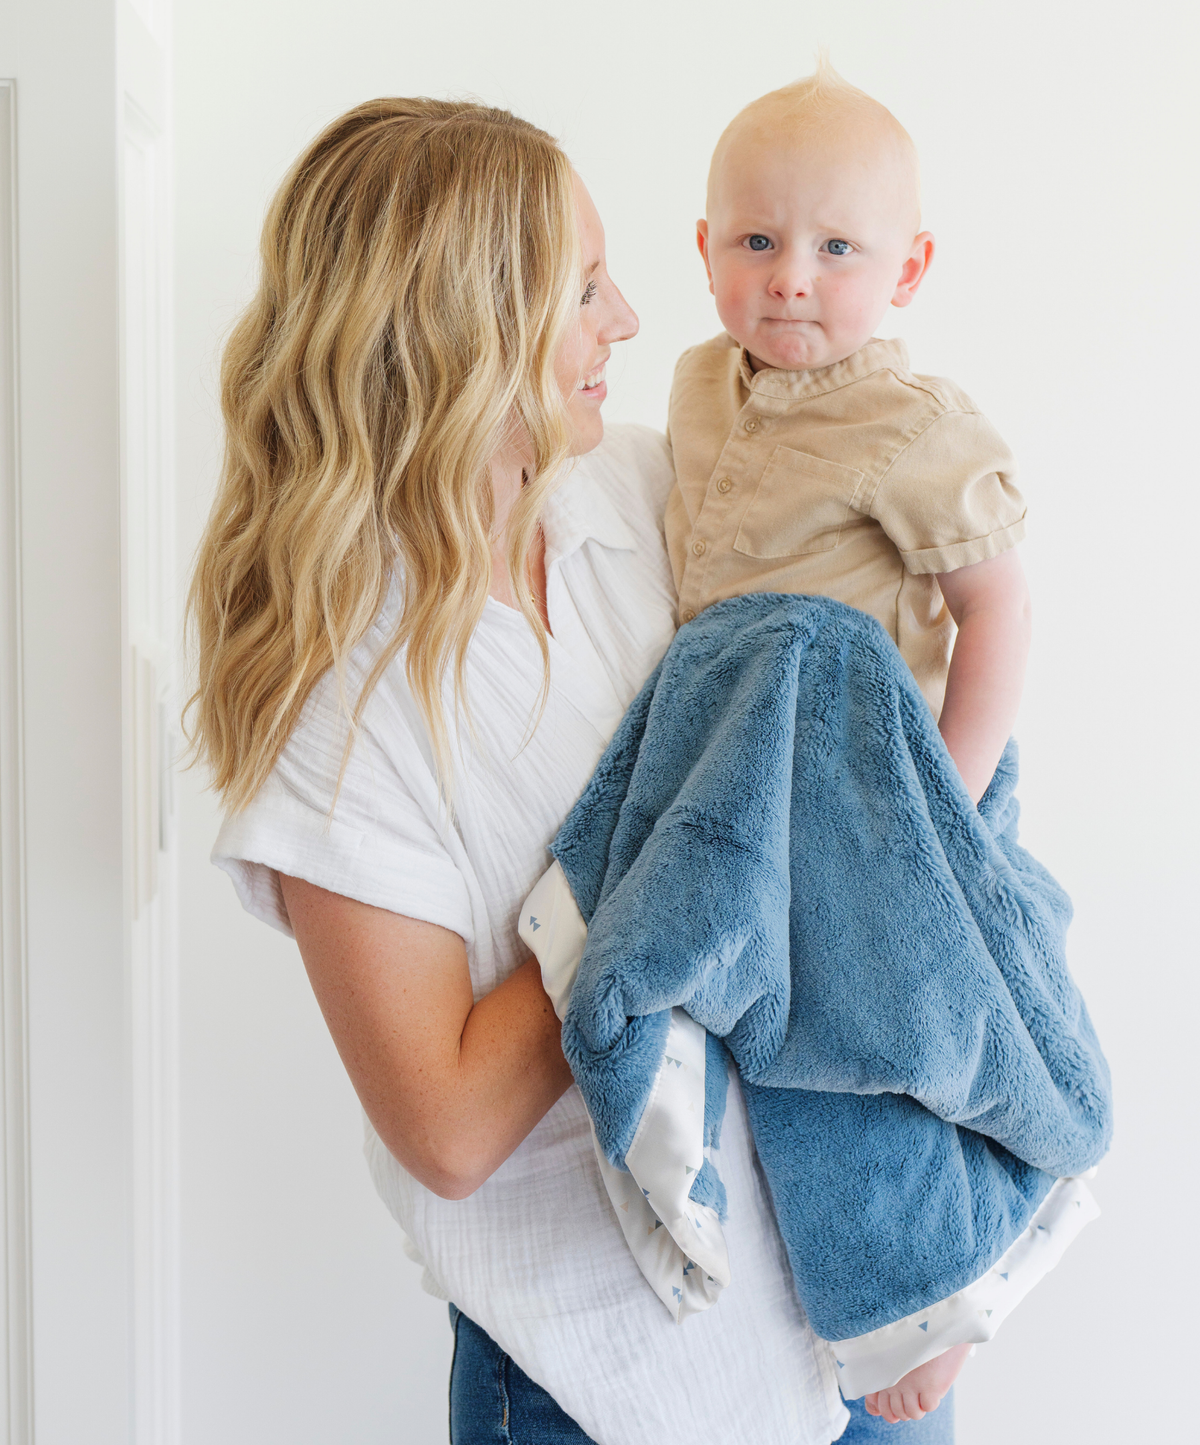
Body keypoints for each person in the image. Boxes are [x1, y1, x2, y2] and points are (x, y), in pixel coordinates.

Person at [186, 97, 907, 1443]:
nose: (629, 319)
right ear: (465, 331)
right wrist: (679, 851)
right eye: (583, 290)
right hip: (606, 1395)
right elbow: (449, 1128)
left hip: (839, 1329)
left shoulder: (642, 494)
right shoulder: (342, 696)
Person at [662, 60, 1033, 1420]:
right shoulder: (702, 388)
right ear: (704, 251)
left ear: (911, 267)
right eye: (755, 242)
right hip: (756, 777)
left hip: (900, 784)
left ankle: (920, 1311)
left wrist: (950, 795)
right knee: (750, 1021)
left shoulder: (911, 421)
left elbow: (995, 611)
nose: (791, 279)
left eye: (836, 248)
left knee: (867, 1047)